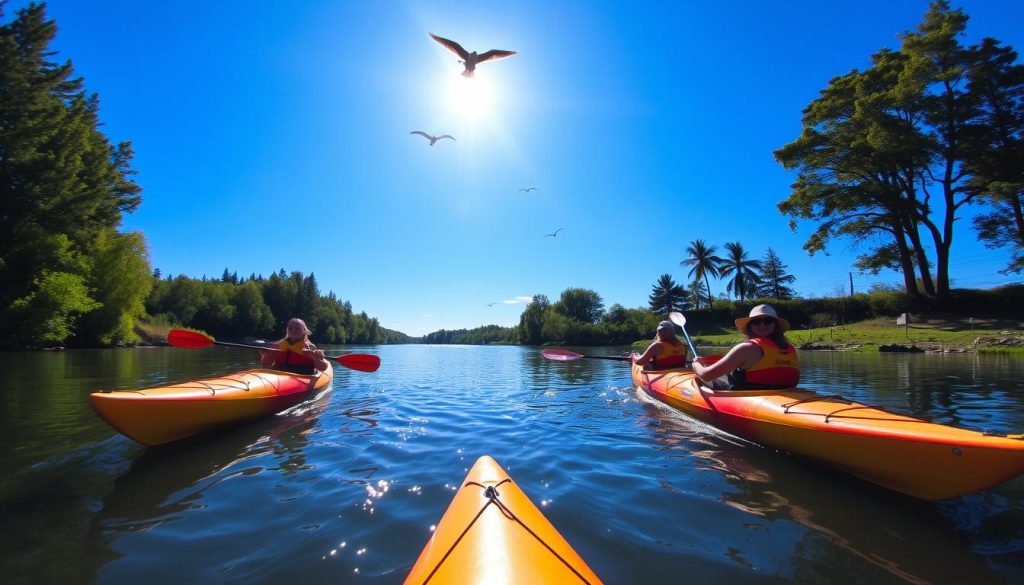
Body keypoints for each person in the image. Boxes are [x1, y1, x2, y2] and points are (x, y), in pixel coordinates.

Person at [691, 304, 799, 389]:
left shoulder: (746, 348)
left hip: (748, 397)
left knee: (699, 377)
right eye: (756, 321)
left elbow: (706, 375)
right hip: (786, 396)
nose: (762, 325)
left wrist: (697, 365)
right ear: (750, 326)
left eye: (768, 321)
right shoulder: (790, 349)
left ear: (775, 324)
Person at [259, 318, 328, 375]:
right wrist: (269, 354)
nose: (293, 330)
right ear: (287, 330)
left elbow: (323, 368)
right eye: (290, 328)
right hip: (279, 374)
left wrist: (312, 355)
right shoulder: (278, 345)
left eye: (297, 328)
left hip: (302, 375)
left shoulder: (311, 347)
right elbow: (265, 364)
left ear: (304, 331)